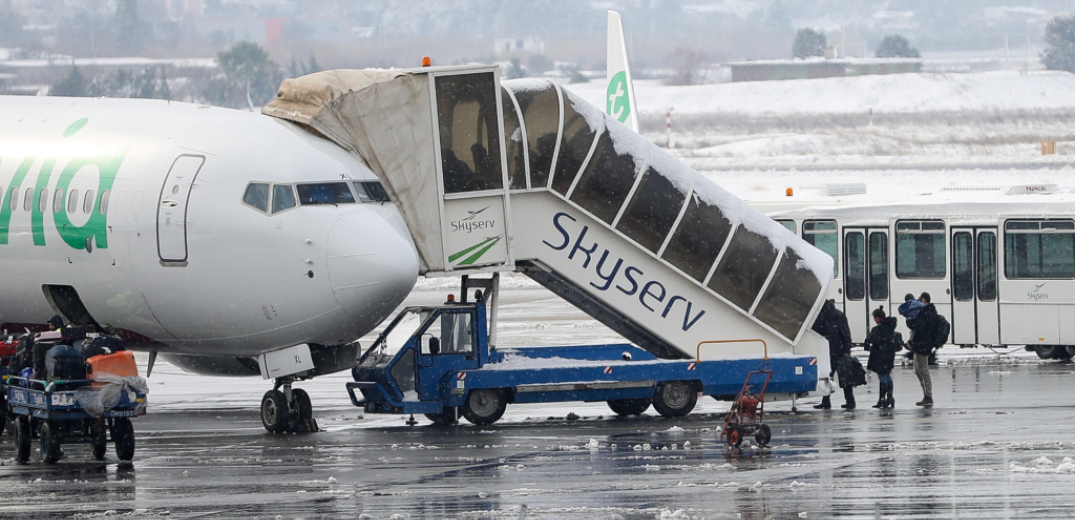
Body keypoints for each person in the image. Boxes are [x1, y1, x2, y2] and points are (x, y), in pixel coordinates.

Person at [812, 299, 855, 410]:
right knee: (843, 377)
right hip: (838, 350)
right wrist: (846, 350)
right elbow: (846, 334)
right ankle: (849, 401)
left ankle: (826, 401)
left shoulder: (824, 316)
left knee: (828, 376)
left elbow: (817, 329)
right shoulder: (838, 315)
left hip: (830, 351)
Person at [865, 306, 903, 409]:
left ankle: (882, 399)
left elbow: (871, 340)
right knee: (887, 375)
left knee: (882, 377)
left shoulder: (877, 329)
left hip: (880, 356)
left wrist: (869, 345)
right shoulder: (891, 328)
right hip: (889, 355)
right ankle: (889, 397)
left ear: (877, 318)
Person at [908, 292, 939, 407]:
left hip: (923, 345)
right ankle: (926, 394)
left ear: (925, 300)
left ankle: (928, 396)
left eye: (920, 300)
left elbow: (918, 326)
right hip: (919, 344)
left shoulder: (928, 312)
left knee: (923, 370)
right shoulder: (925, 312)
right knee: (917, 370)